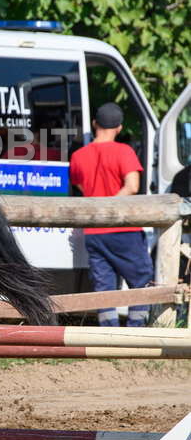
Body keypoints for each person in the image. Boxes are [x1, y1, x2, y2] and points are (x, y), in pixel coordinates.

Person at [69, 102, 153, 326]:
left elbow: (81, 187)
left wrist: (100, 207)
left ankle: (108, 334)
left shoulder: (78, 156)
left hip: (94, 232)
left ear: (94, 123)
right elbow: (132, 186)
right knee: (141, 280)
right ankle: (136, 331)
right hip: (124, 230)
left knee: (104, 287)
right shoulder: (124, 151)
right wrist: (110, 206)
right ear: (119, 127)